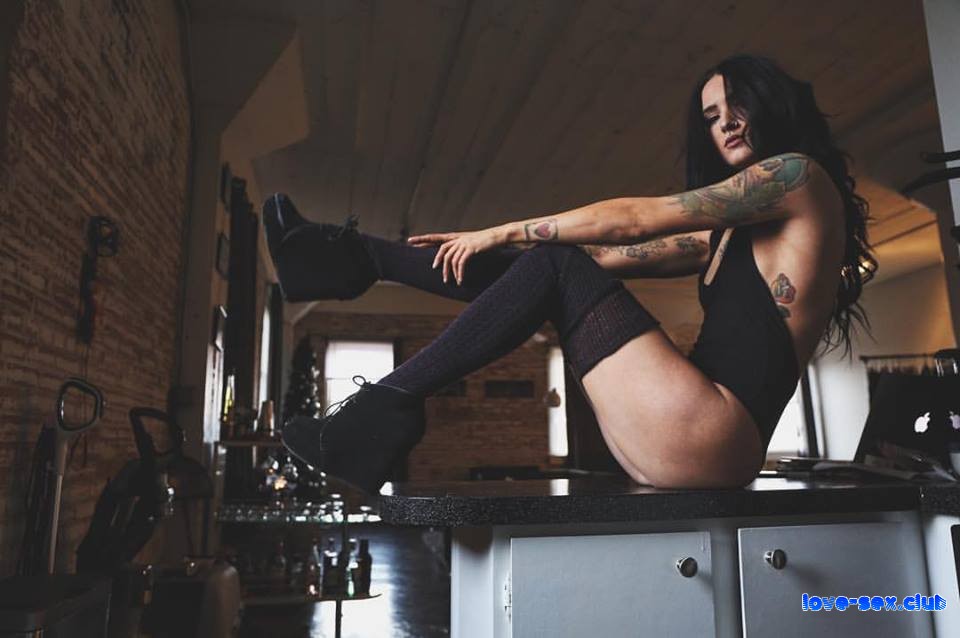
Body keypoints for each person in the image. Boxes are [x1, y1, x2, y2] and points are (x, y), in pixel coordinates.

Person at [265, 53, 875, 495]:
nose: (727, 123)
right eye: (713, 116)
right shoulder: (726, 235)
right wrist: (451, 249)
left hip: (711, 433)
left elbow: (635, 221)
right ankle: (350, 259)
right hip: (683, 435)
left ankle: (378, 412)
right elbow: (589, 262)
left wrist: (505, 229)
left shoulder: (798, 177)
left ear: (771, 103)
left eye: (738, 105)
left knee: (551, 259)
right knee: (550, 265)